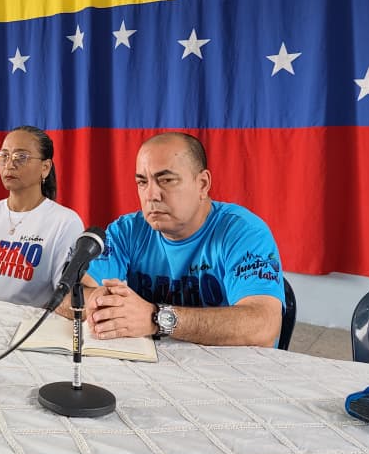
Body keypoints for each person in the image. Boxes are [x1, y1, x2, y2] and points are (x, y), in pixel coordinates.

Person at [81, 132, 285, 347]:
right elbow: (70, 294)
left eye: (166, 180)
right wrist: (98, 300)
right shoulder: (126, 231)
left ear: (203, 184)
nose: (151, 195)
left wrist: (156, 318)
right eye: (142, 182)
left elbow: (264, 325)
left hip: (231, 363)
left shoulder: (244, 232)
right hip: (153, 359)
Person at [0, 125, 85, 307]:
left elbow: (64, 298)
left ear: (45, 168)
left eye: (21, 157)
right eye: (4, 156)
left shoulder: (65, 223)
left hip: (28, 323)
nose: (9, 164)